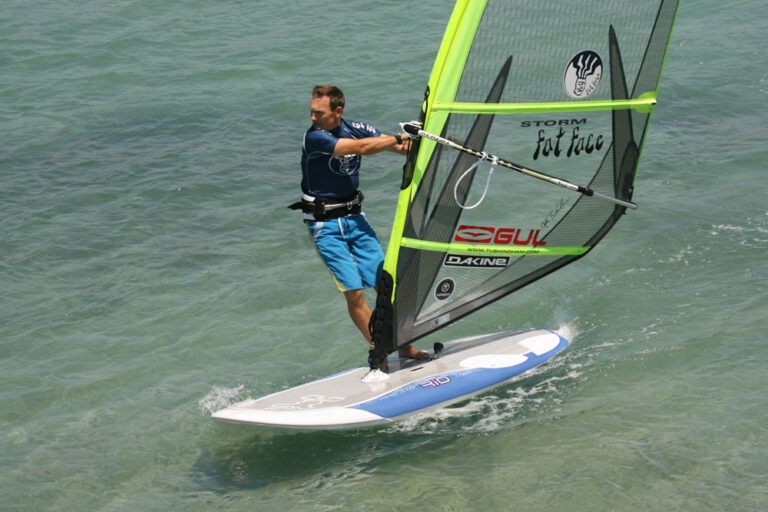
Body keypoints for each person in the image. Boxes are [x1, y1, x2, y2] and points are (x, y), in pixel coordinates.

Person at [294, 84, 428, 360]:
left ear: (338, 111)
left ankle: (405, 346)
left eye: (318, 113)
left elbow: (401, 147)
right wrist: (400, 135)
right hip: (324, 226)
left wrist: (428, 139)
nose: (312, 117)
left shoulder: (355, 127)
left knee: (384, 285)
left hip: (355, 219)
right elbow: (364, 148)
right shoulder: (315, 137)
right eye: (311, 112)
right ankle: (380, 351)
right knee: (354, 293)